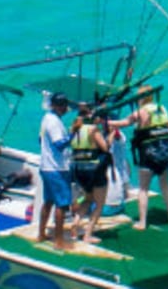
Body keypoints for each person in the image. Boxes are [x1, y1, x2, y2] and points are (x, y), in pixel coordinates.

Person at [126, 86, 168, 225]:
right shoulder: (162, 108)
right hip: (165, 152)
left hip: (148, 153)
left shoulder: (141, 111)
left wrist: (107, 123)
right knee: (165, 185)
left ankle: (142, 222)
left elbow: (125, 123)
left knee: (143, 188)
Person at [31, 95, 78, 247]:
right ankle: (58, 240)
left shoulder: (46, 119)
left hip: (46, 166)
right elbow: (60, 144)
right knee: (62, 204)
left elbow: (40, 140)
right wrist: (74, 132)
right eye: (63, 106)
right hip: (57, 169)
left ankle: (41, 233)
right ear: (57, 106)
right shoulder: (54, 122)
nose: (66, 109)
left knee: (48, 201)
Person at [68, 102, 118, 237]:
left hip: (78, 169)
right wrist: (112, 134)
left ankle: (76, 222)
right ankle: (87, 235)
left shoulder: (73, 128)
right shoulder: (92, 129)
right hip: (94, 170)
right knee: (99, 204)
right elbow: (105, 147)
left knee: (87, 199)